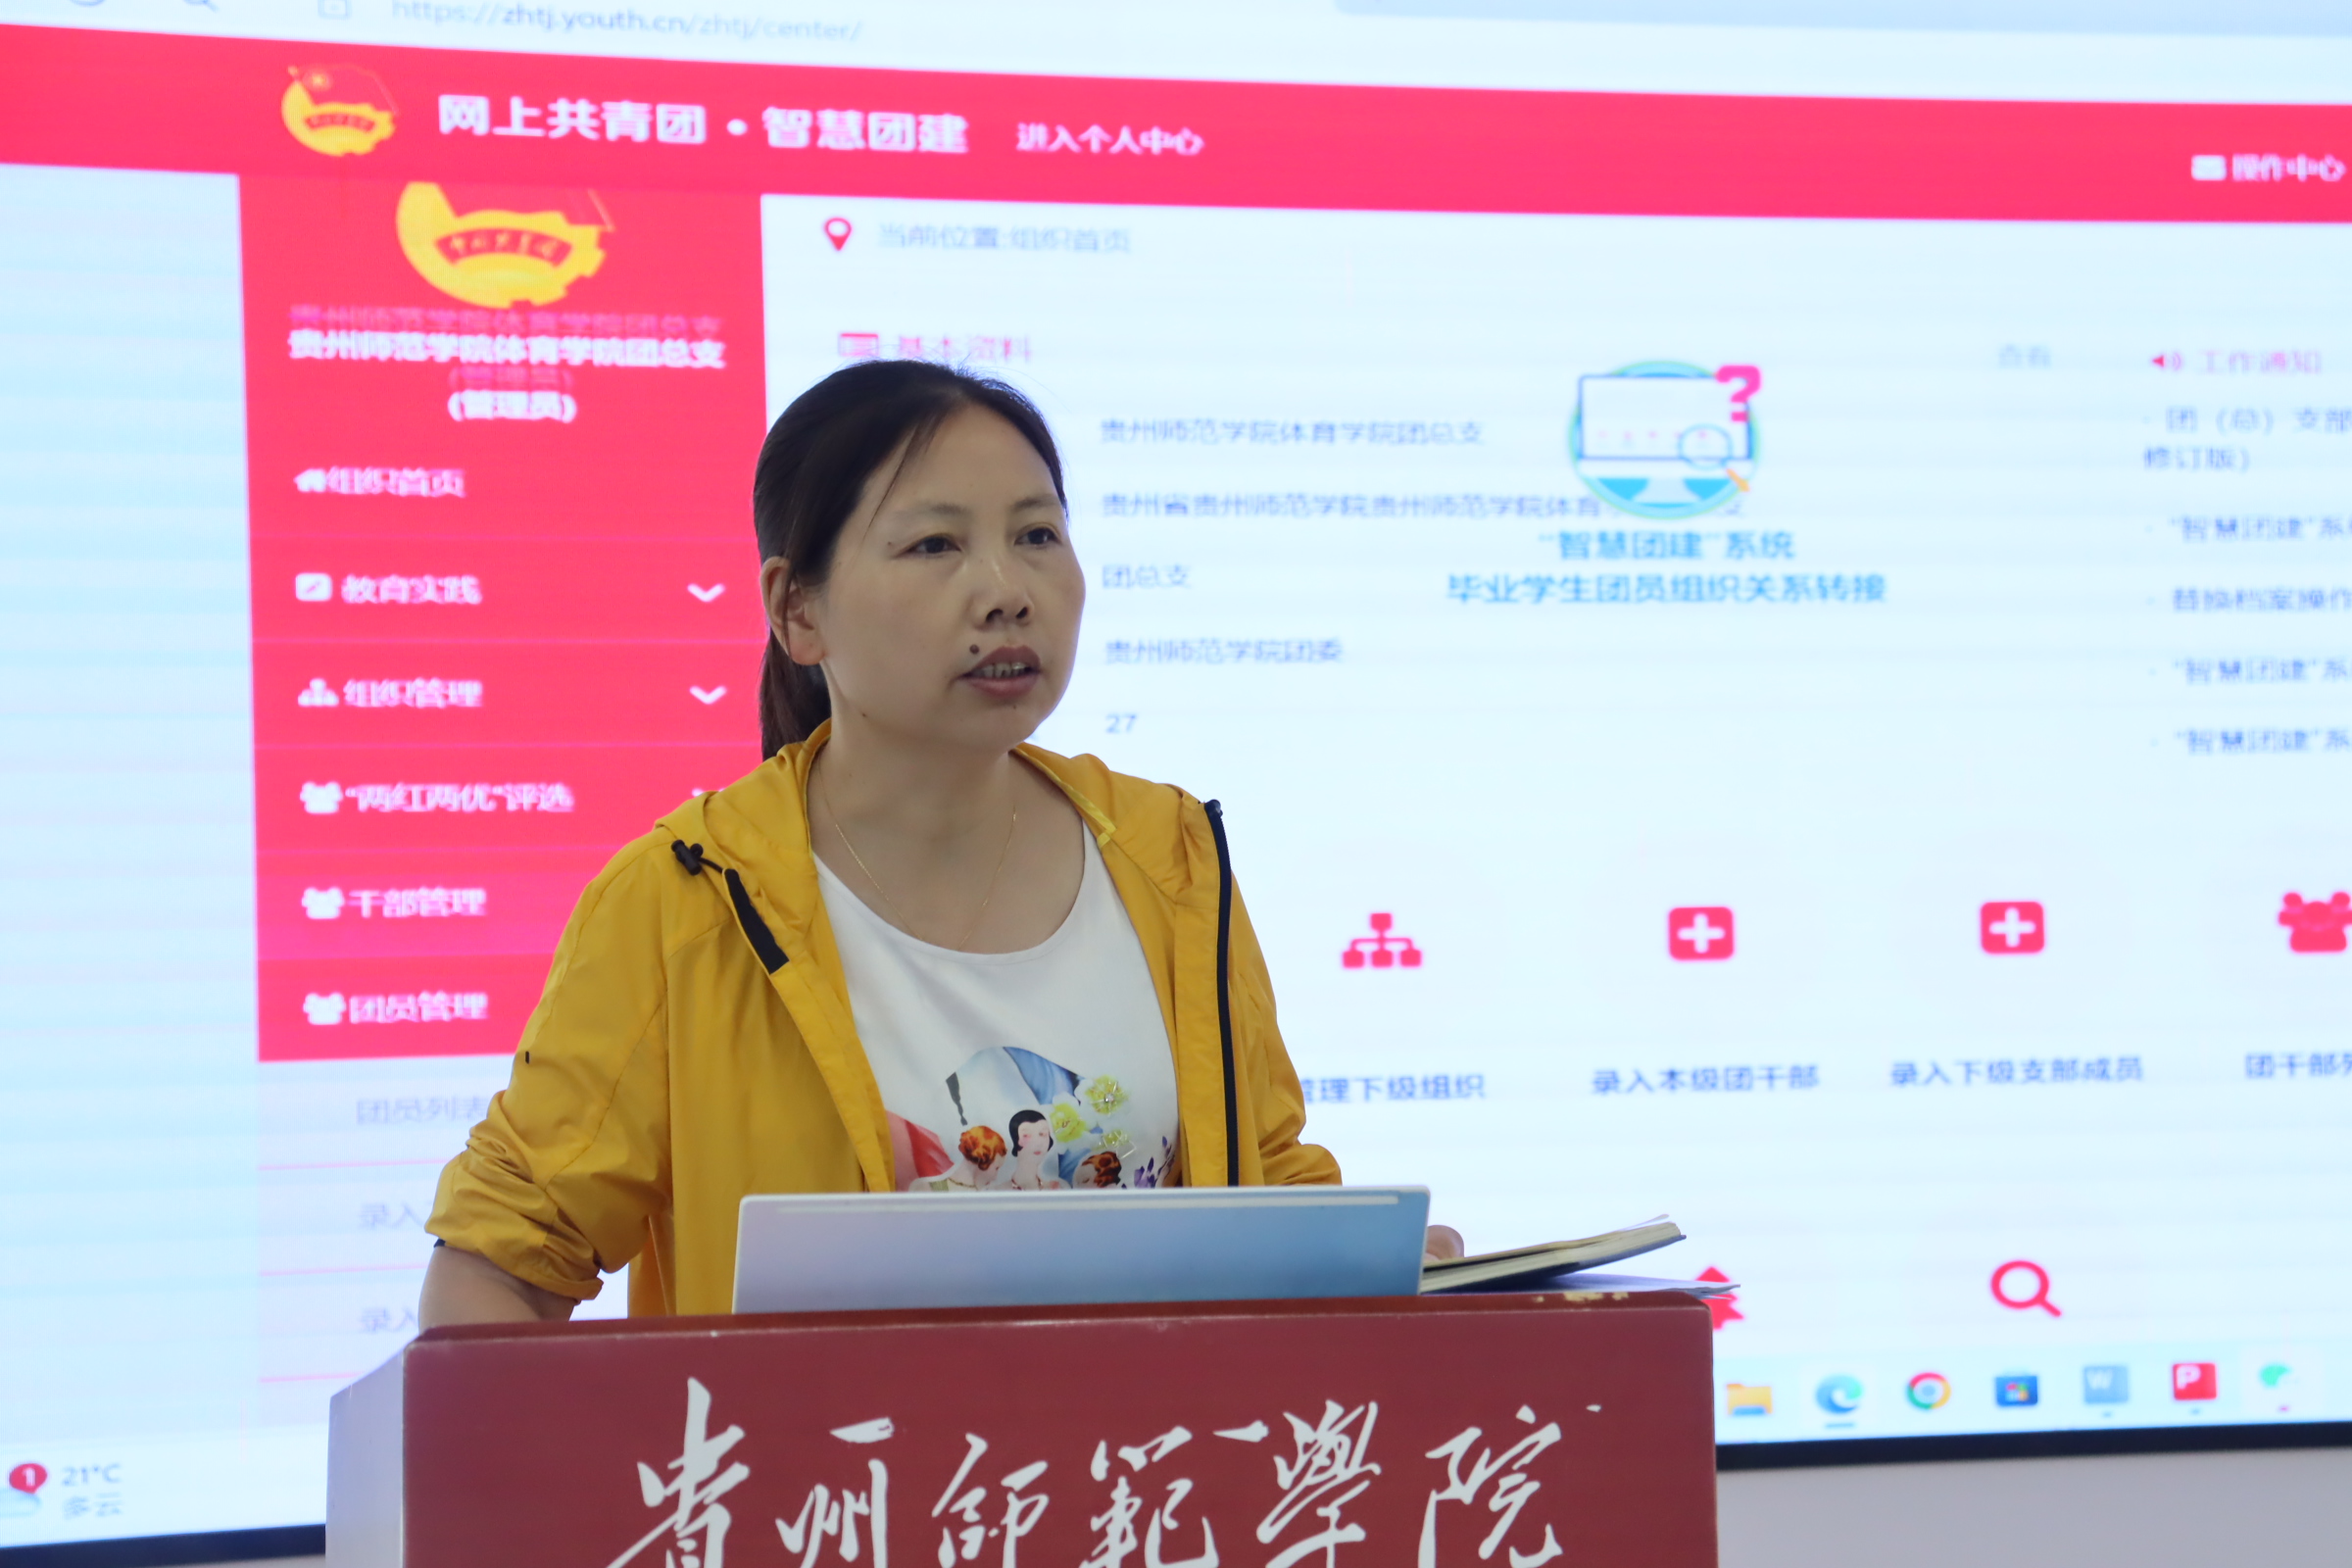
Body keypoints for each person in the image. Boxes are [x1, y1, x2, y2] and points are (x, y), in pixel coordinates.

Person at [420, 360, 1459, 1324]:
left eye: (1037, 535)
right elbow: (500, 1265)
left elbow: (1261, 1180)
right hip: (834, 1469)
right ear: (797, 610)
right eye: (935, 545)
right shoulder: (688, 901)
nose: (1008, 590)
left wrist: (1379, 1270)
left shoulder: (1169, 857)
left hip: (1152, 1468)